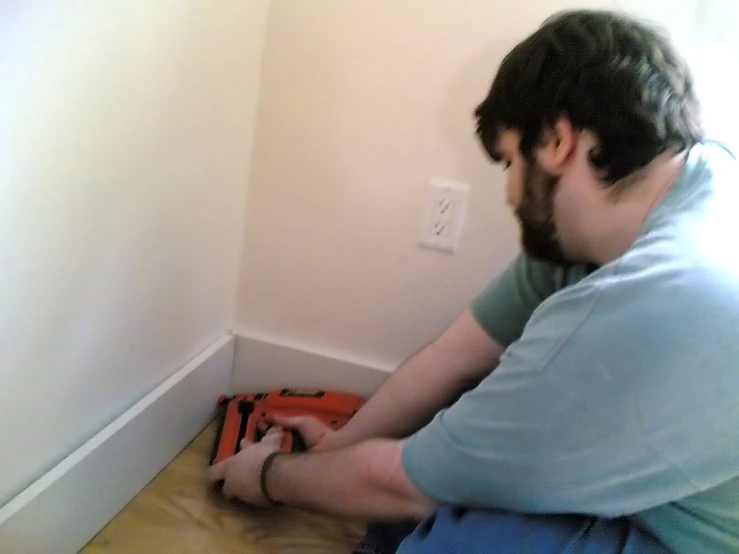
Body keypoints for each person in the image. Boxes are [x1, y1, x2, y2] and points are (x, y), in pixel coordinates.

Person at [208, 9, 739, 554]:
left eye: (510, 161)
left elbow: (399, 484)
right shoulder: (691, 180)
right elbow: (454, 356)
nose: (510, 194)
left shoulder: (647, 296)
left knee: (454, 538)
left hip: (687, 539)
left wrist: (270, 475)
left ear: (557, 141)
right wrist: (341, 445)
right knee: (456, 421)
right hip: (657, 486)